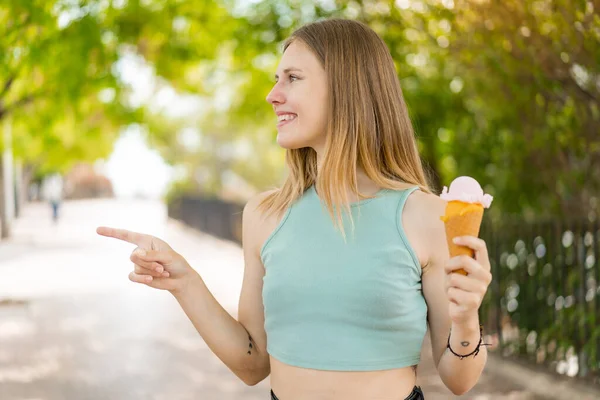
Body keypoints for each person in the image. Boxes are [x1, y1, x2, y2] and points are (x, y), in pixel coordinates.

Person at [97, 18, 492, 400]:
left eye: (292, 78)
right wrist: (184, 281)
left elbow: (459, 380)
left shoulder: (425, 216)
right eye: (276, 79)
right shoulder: (266, 215)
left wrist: (466, 319)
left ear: (346, 88)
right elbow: (252, 363)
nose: (273, 95)